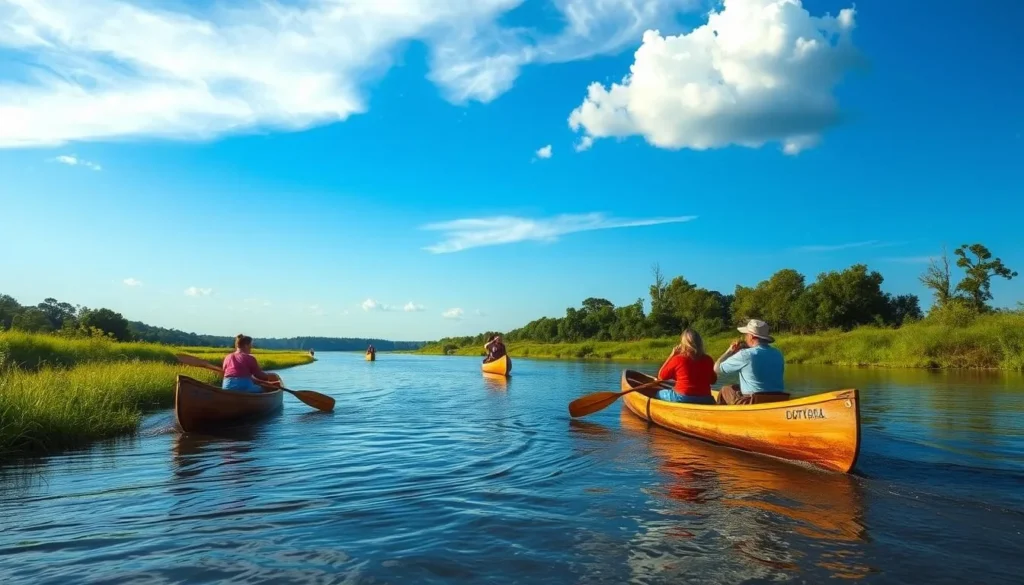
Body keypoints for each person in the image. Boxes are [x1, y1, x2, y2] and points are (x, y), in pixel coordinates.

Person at [714, 319, 785, 405]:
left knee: (726, 390)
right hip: (779, 399)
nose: (745, 337)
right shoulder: (778, 353)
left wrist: (729, 351)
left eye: (746, 335)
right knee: (735, 387)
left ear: (751, 336)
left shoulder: (745, 355)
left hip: (754, 401)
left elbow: (716, 368)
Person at [656, 328, 717, 405]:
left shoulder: (678, 359)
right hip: (706, 398)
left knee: (658, 393)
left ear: (683, 343)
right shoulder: (708, 359)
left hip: (683, 397)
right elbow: (713, 381)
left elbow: (661, 376)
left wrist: (672, 355)